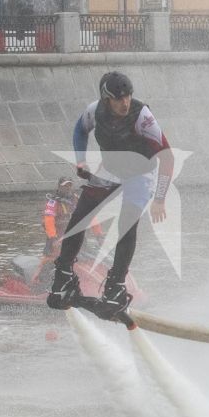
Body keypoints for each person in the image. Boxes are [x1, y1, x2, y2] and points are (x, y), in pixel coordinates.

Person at [47, 70, 173, 319]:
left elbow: (167, 157)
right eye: (118, 98)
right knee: (79, 218)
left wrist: (159, 199)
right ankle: (64, 277)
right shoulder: (95, 111)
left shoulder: (143, 117)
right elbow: (79, 130)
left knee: (126, 226)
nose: (125, 103)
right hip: (111, 170)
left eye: (127, 97)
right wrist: (81, 160)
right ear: (106, 99)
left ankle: (116, 286)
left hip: (141, 174)